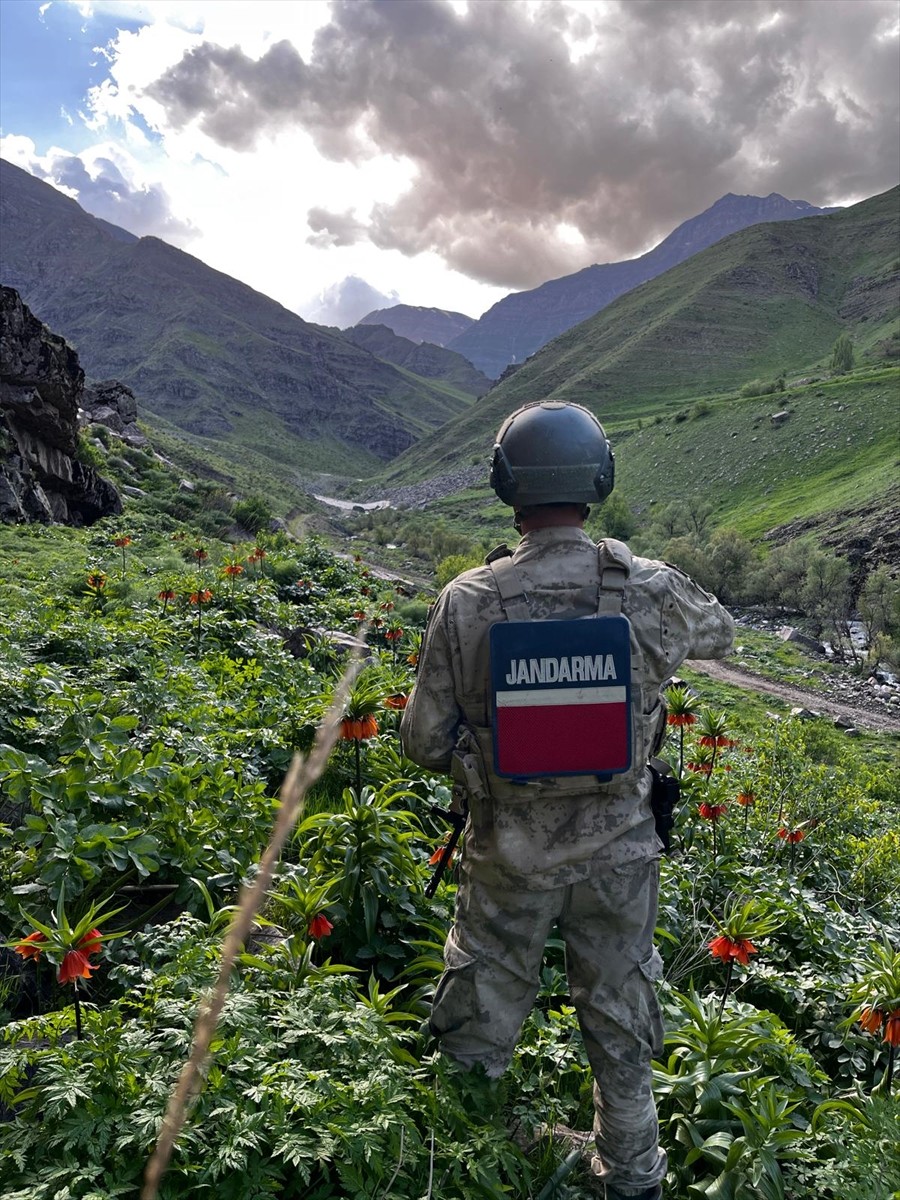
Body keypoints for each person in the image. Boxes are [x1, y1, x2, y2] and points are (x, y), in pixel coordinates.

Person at [400, 399, 734, 1200]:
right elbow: (721, 635)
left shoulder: (467, 600)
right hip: (621, 858)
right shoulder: (650, 587)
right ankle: (634, 1176)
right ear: (598, 480)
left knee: (480, 1011)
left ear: (505, 484)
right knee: (621, 1019)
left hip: (506, 858)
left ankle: (465, 1165)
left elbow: (422, 741)